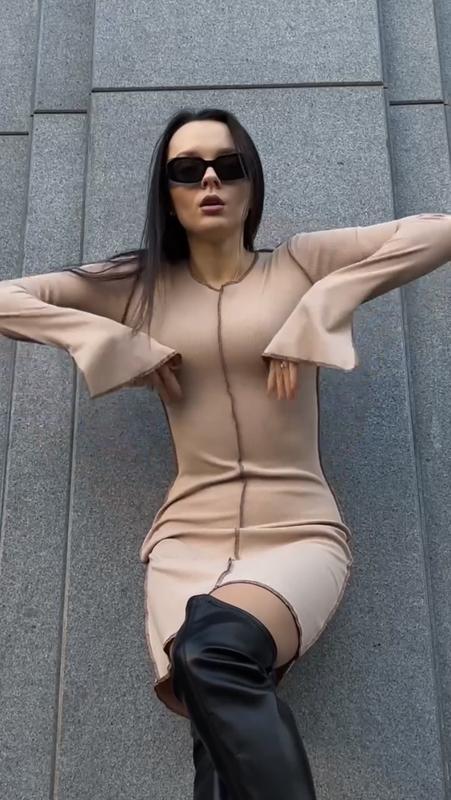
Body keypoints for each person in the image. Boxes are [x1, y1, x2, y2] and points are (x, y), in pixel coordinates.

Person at [0, 106, 450, 799]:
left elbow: (437, 230)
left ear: (250, 183)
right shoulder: (135, 285)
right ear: (167, 193)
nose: (209, 179)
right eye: (186, 170)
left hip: (297, 531)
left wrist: (325, 301)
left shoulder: (300, 263)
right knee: (215, 733)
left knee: (211, 651)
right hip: (186, 540)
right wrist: (106, 339)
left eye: (227, 165)